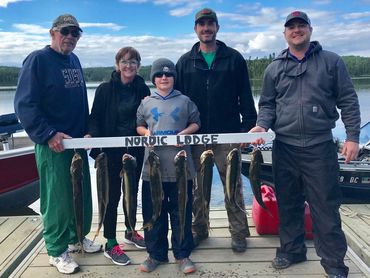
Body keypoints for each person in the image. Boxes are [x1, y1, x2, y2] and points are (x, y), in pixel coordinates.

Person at [249, 11, 360, 278]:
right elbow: (267, 105)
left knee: (325, 207)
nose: (296, 30)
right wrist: (262, 125)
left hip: (320, 146)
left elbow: (348, 100)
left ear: (310, 29)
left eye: (301, 26)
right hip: (284, 147)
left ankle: (334, 264)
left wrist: (353, 137)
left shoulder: (331, 62)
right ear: (284, 33)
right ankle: (292, 250)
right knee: (288, 204)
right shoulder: (274, 68)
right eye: (291, 27)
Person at [14, 14, 102, 275]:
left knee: (81, 194)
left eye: (76, 33)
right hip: (53, 144)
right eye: (66, 32)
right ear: (52, 33)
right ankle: (55, 250)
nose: (71, 37)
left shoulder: (74, 60)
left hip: (76, 144)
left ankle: (76, 238)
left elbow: (80, 102)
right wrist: (49, 133)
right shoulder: (37, 60)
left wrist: (88, 131)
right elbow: (24, 104)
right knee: (56, 199)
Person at [175, 7, 257, 252]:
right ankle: (199, 229)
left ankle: (239, 232)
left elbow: (245, 95)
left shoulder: (233, 58)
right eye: (202, 24)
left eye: (210, 24)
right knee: (197, 187)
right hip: (196, 136)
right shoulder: (185, 62)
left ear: (217, 28)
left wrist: (247, 129)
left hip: (228, 134)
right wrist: (178, 132)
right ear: (196, 29)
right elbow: (177, 101)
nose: (206, 28)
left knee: (233, 186)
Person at [137, 58, 200, 274]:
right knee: (153, 213)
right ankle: (156, 254)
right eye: (159, 75)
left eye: (168, 74)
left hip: (181, 170)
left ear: (174, 77)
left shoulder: (185, 101)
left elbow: (196, 123)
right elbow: (139, 126)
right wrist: (146, 133)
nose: (164, 78)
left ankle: (182, 255)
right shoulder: (146, 102)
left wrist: (186, 133)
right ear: (153, 79)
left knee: (181, 212)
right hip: (152, 171)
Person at [88, 47, 150, 265]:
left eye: (133, 61)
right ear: (117, 65)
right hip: (110, 151)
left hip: (134, 150)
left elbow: (147, 118)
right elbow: (94, 118)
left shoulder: (142, 88)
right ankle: (110, 242)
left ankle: (131, 231)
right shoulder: (104, 89)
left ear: (138, 65)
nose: (129, 66)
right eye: (124, 61)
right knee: (111, 197)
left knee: (132, 193)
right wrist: (91, 137)